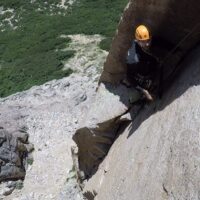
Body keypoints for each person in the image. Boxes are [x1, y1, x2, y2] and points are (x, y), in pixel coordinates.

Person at [124, 25, 160, 102]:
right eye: (144, 42)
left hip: (148, 67)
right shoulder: (132, 57)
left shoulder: (146, 40)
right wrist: (144, 91)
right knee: (134, 99)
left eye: (148, 40)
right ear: (137, 40)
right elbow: (129, 77)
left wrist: (177, 50)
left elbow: (161, 42)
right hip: (140, 76)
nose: (147, 44)